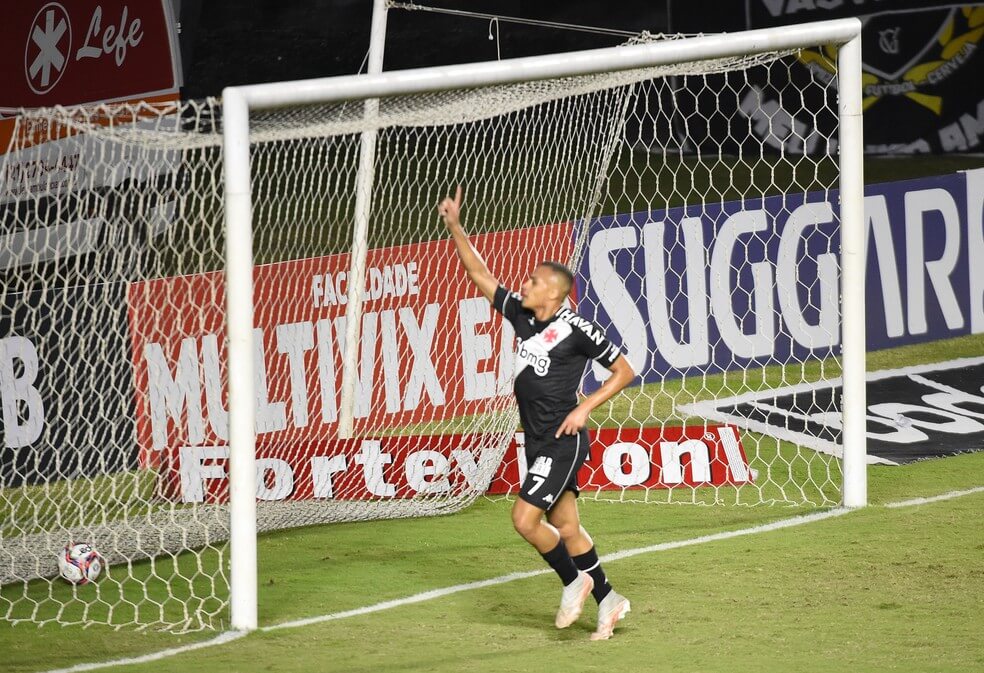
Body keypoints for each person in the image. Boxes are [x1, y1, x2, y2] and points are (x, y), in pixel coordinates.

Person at [438, 186, 636, 641]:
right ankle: (608, 598)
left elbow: (624, 371)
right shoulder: (525, 317)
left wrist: (585, 407)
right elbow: (480, 274)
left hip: (562, 440)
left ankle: (574, 581)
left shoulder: (577, 328)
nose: (522, 284)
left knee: (525, 520)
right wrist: (456, 228)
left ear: (553, 292)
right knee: (566, 526)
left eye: (531, 281)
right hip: (538, 438)